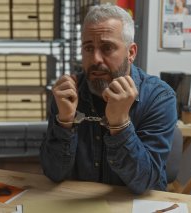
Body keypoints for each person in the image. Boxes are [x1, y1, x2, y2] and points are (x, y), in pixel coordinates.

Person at [40, 3, 177, 194]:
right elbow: (53, 172)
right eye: (88, 48)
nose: (95, 59)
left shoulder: (159, 97)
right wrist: (64, 122)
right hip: (79, 204)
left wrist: (120, 125)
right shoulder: (68, 95)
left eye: (107, 48)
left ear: (131, 53)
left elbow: (145, 182)